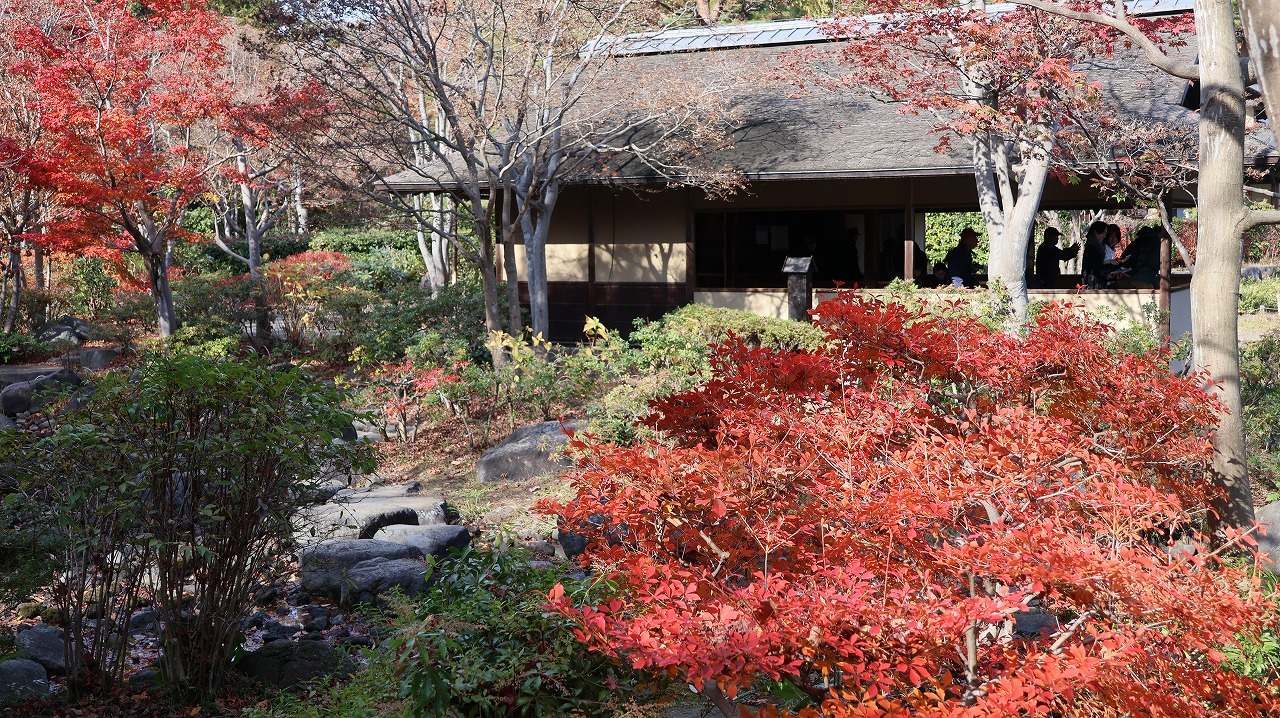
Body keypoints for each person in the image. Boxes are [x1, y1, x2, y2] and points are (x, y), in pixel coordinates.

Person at [1081, 221, 1110, 289]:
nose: (1105, 236)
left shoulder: (1095, 246)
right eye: (1103, 233)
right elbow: (1094, 268)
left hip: (1095, 281)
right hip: (1094, 283)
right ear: (1095, 232)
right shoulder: (1092, 247)